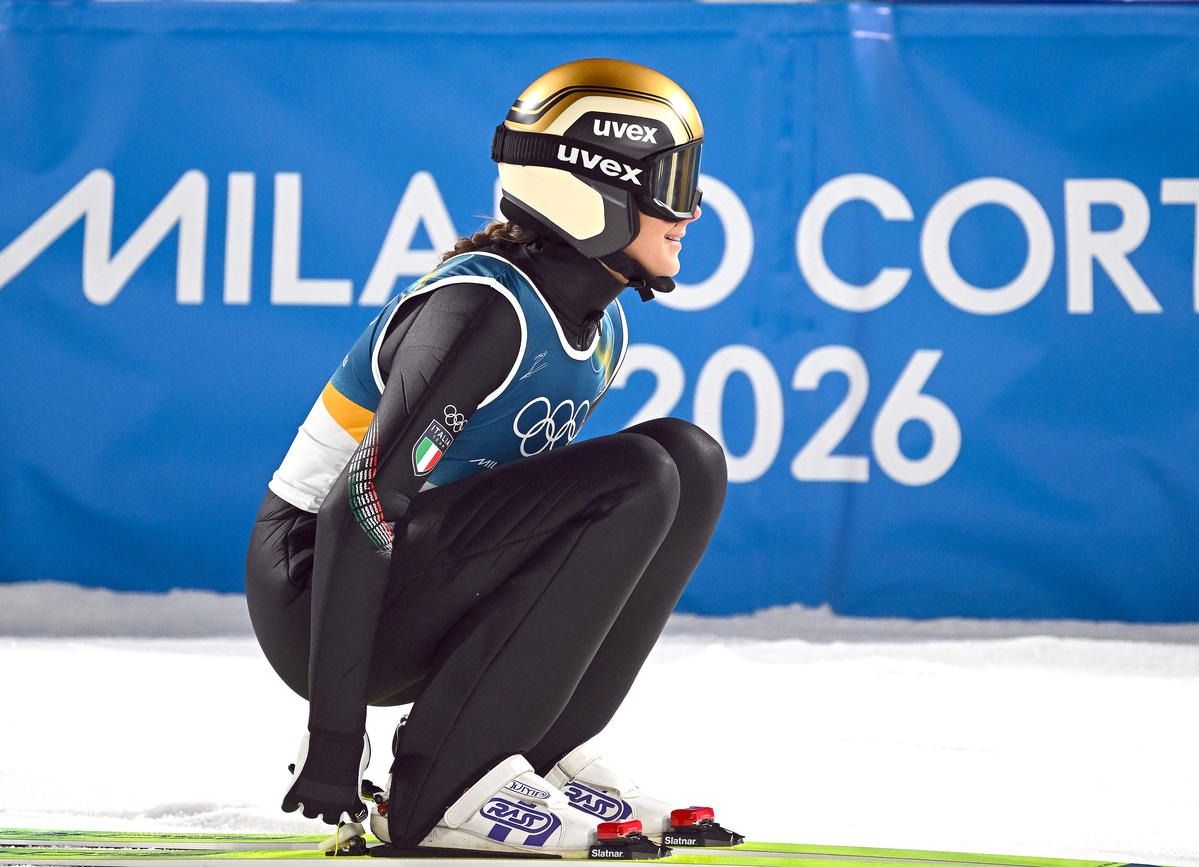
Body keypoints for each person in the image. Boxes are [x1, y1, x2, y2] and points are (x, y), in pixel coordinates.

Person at [245, 57, 729, 858]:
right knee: (637, 477)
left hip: (408, 570)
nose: (693, 208)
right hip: (313, 589)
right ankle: (441, 791)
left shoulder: (599, 325)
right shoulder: (483, 311)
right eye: (671, 183)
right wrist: (335, 734)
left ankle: (532, 753)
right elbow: (358, 508)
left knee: (690, 459)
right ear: (596, 189)